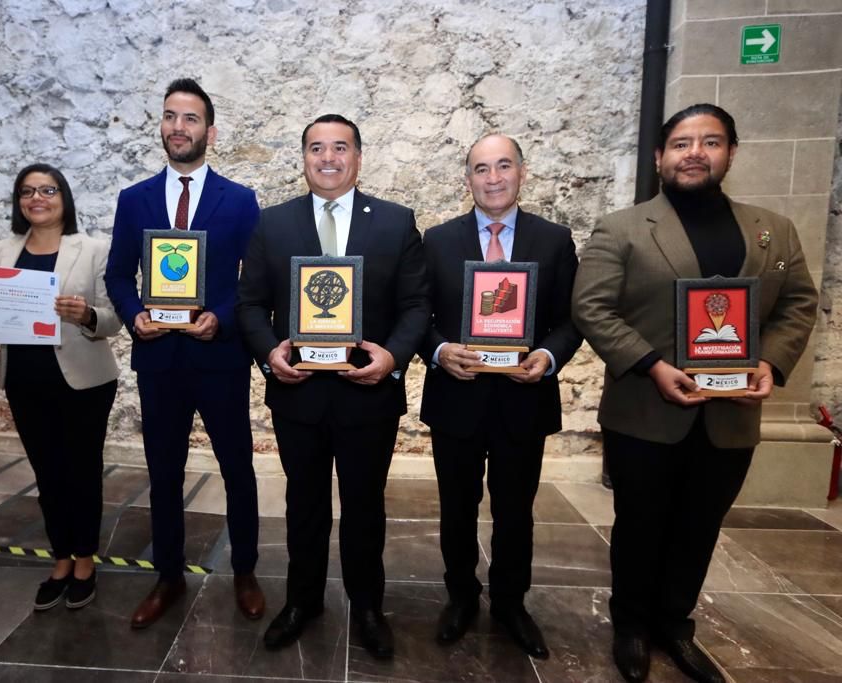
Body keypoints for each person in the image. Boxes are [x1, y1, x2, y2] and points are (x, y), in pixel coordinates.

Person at [572, 104, 818, 683]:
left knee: (700, 524)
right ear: (660, 157)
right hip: (646, 409)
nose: (695, 153)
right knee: (639, 524)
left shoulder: (773, 230)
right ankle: (632, 626)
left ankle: (674, 623)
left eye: (711, 142)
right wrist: (652, 365)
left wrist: (769, 362)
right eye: (682, 144)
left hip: (730, 416)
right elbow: (592, 307)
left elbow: (798, 303)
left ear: (731, 153)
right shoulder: (622, 228)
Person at [236, 114, 430, 659]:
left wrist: (393, 356)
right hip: (297, 393)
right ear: (303, 158)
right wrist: (269, 353)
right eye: (316, 148)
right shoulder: (272, 223)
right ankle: (303, 602)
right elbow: (249, 304)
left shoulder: (395, 222)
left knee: (365, 506)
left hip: (369, 393)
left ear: (358, 158)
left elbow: (417, 304)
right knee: (304, 504)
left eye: (340, 147)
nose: (328, 158)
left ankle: (367, 607)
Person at [104, 78, 264, 627]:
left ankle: (245, 571)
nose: (179, 126)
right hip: (160, 361)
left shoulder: (239, 201)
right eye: (170, 116)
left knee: (237, 467)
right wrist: (134, 315)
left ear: (209, 132)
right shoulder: (135, 199)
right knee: (164, 470)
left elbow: (253, 281)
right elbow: (118, 275)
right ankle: (167, 575)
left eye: (190, 118)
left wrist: (221, 315)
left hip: (219, 357)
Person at [419, 134, 581, 656]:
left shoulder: (553, 240)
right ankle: (461, 597)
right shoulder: (437, 240)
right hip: (457, 398)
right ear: (467, 179)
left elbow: (571, 318)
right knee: (456, 508)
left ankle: (511, 602)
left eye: (503, 166)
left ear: (522, 172)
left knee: (516, 511)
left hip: (523, 399)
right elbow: (417, 314)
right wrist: (439, 350)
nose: (493, 178)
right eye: (481, 169)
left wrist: (548, 357)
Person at [0, 164, 121, 610]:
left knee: (82, 472)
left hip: (84, 380)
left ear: (64, 197)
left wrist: (86, 315)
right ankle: (61, 558)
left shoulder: (94, 249)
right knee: (47, 473)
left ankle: (85, 560)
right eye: (27, 192)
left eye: (47, 190)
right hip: (25, 379)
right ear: (18, 201)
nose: (37, 198)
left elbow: (113, 319)